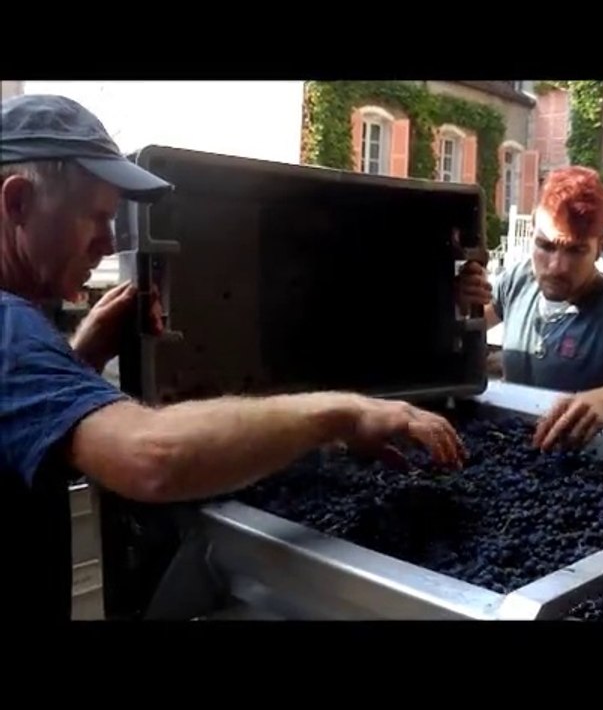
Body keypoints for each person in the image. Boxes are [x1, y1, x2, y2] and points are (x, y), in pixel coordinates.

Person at [0, 93, 466, 619]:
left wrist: (79, 360)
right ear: (16, 203)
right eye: (96, 218)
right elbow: (153, 458)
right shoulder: (10, 330)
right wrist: (345, 411)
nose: (108, 245)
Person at [456, 165, 603, 451]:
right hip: (511, 449)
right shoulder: (518, 281)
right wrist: (456, 303)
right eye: (545, 246)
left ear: (600, 247)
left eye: (575, 250)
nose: (557, 266)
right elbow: (461, 336)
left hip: (579, 465)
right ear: (532, 233)